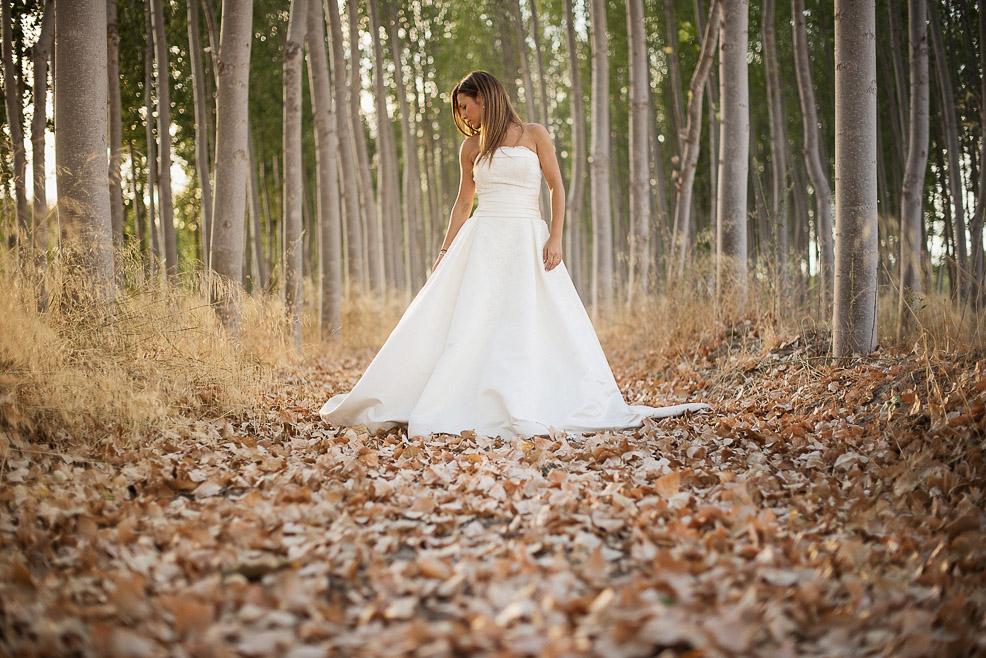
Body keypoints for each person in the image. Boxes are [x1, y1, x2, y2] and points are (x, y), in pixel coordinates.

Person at [319, 70, 708, 438]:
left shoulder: (534, 134)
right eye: (459, 110)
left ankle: (532, 396)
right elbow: (462, 202)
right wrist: (444, 250)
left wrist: (554, 238)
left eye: (465, 106)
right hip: (484, 239)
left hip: (528, 238)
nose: (463, 116)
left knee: (531, 320)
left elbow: (557, 187)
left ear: (483, 98)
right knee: (474, 320)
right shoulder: (470, 148)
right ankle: (465, 397)